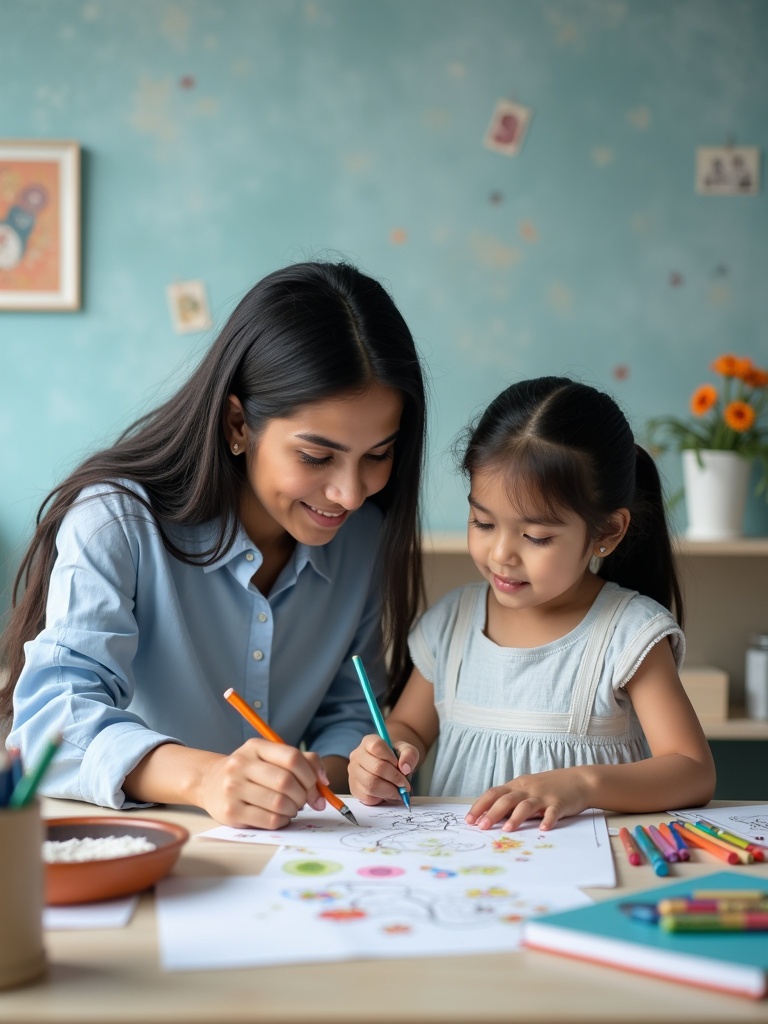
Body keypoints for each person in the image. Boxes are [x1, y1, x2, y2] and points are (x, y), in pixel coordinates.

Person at [2, 260, 427, 829]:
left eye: (378, 455)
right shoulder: (116, 521)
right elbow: (50, 724)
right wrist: (206, 778)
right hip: (136, 838)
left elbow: (350, 710)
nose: (350, 494)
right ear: (237, 424)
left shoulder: (365, 541)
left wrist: (344, 765)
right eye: (316, 456)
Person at [348, 376, 716, 830]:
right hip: (467, 874)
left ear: (606, 533)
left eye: (536, 536)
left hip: (584, 873)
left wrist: (583, 785)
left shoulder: (627, 634)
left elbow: (693, 770)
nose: (502, 554)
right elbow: (409, 729)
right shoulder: (453, 622)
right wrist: (384, 756)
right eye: (482, 522)